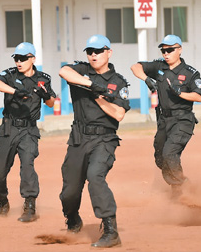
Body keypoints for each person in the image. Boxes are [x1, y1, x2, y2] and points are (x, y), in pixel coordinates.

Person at [59, 34, 130, 248]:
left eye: (98, 51)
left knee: (95, 176)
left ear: (109, 52)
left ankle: (110, 230)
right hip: (79, 138)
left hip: (104, 139)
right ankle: (72, 218)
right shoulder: (82, 71)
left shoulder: (118, 82)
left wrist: (98, 96)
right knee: (69, 192)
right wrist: (91, 84)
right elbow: (64, 71)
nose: (93, 55)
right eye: (90, 51)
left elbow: (118, 114)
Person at [131, 35, 201, 199]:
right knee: (160, 158)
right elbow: (135, 67)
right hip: (164, 120)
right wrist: (146, 79)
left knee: (170, 153)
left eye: (170, 50)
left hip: (183, 120)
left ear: (179, 50)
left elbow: (199, 96)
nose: (166, 53)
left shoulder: (190, 73)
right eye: (163, 50)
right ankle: (179, 182)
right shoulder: (159, 66)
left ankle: (180, 189)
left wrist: (181, 93)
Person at [0, 42, 56, 222]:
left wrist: (46, 94)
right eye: (16, 58)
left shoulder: (43, 79)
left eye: (23, 58)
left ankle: (30, 205)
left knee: (28, 166)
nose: (19, 62)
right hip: (9, 127)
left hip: (28, 129)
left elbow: (51, 103)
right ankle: (2, 200)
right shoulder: (10, 75)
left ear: (32, 59)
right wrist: (15, 91)